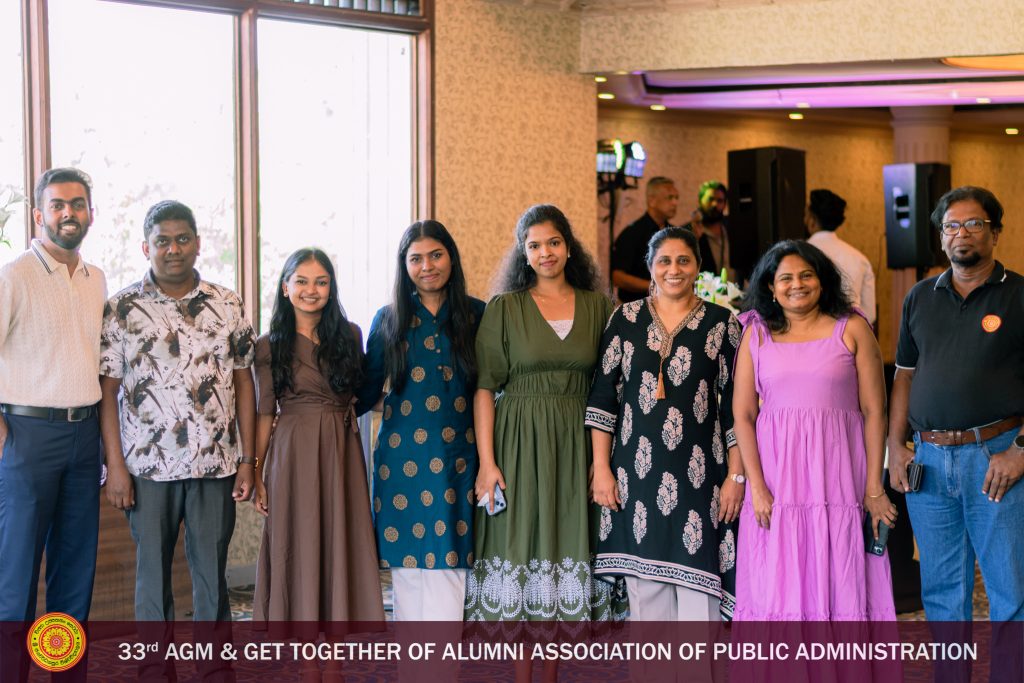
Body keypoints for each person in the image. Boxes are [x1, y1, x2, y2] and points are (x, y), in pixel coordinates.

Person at [99, 200, 256, 680]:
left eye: (182, 239)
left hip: (215, 464)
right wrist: (115, 467)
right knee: (152, 577)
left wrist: (248, 460)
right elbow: (107, 392)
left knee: (211, 576)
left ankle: (214, 670)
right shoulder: (122, 308)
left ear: (198, 243)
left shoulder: (227, 303)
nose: (173, 249)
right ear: (145, 247)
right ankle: (154, 669)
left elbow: (244, 380)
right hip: (147, 468)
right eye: (162, 241)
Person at [464, 204, 621, 680]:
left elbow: (610, 386)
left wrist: (603, 460)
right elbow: (485, 388)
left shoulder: (599, 308)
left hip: (579, 441)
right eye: (534, 245)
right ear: (523, 253)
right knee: (525, 548)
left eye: (553, 242)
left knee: (564, 545)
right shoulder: (504, 308)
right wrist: (487, 462)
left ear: (568, 247)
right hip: (518, 441)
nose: (545, 252)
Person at [732, 240, 896, 621]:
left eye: (806, 275)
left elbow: (875, 411)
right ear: (771, 286)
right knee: (781, 582)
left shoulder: (852, 327)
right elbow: (743, 415)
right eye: (785, 278)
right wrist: (756, 487)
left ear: (822, 280)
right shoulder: (756, 334)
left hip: (839, 476)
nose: (797, 284)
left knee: (840, 572)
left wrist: (874, 487)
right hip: (777, 481)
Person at [588, 226, 744, 623]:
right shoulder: (625, 319)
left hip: (702, 479)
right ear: (650, 266)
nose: (673, 270)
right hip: (635, 478)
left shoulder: (722, 323)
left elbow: (738, 409)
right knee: (647, 603)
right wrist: (602, 468)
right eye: (664, 261)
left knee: (699, 601)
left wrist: (736, 476)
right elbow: (603, 400)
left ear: (698, 267)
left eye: (683, 260)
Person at [889, 186, 1024, 623]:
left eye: (973, 224)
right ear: (941, 237)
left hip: (997, 459)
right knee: (941, 594)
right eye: (951, 226)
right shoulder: (919, 297)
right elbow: (904, 376)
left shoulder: (1019, 295)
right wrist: (896, 447)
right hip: (928, 463)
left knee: (1010, 591)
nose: (961, 233)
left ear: (995, 232)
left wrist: (1020, 451)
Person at [0, 168, 106, 683]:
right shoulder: (13, 275)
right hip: (27, 438)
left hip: (84, 437)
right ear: (39, 214)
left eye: (78, 204)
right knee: (15, 577)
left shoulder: (96, 279)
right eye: (59, 205)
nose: (69, 213)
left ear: (90, 214)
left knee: (74, 575)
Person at [251, 248, 384, 645]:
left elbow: (364, 394)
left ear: (331, 287)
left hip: (342, 449)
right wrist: (256, 473)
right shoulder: (269, 345)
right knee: (301, 545)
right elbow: (264, 413)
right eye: (302, 281)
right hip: (293, 451)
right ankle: (310, 666)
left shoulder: (350, 335)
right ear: (285, 287)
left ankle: (335, 665)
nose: (312, 290)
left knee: (340, 545)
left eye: (321, 282)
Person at [362, 221, 484, 621]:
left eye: (436, 255)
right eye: (416, 259)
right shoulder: (388, 318)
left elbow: (491, 388)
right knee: (407, 572)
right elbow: (365, 391)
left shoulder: (477, 314)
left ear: (451, 257)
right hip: (401, 460)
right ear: (404, 266)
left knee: (450, 566)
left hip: (459, 459)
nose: (427, 266)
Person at [805, 188, 877, 325]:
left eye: (805, 215)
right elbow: (869, 314)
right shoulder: (859, 258)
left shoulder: (796, 256)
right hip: (850, 332)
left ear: (812, 220)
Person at [611, 176, 679, 303]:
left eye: (676, 198)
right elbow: (618, 277)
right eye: (670, 197)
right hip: (637, 306)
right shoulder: (632, 233)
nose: (675, 203)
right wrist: (654, 286)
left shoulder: (675, 233)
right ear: (652, 201)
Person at [684, 181, 732, 280]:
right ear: (699, 201)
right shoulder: (687, 232)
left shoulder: (732, 227)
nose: (715, 204)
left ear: (725, 204)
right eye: (710, 199)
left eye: (720, 201)